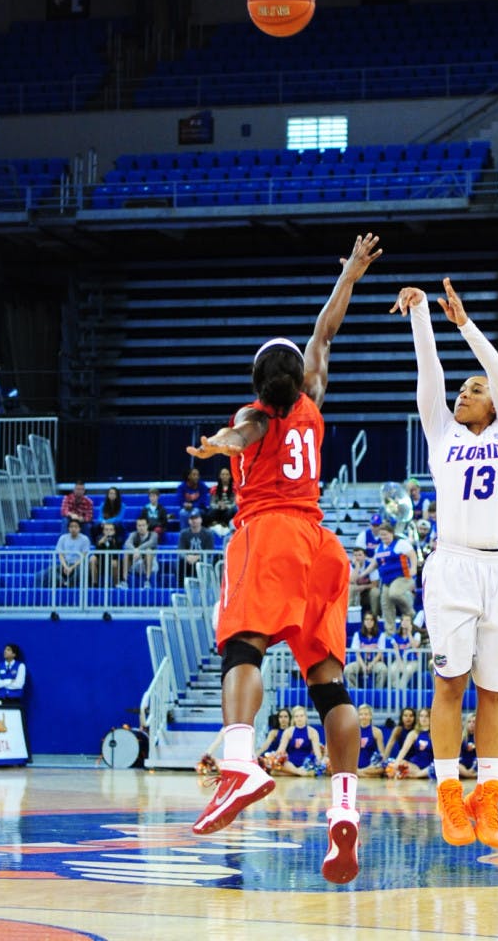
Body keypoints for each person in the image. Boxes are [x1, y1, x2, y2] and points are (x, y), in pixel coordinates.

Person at [186, 232, 381, 885]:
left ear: (256, 385)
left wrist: (219, 444)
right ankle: (343, 812)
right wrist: (349, 273)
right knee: (330, 688)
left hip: (269, 535)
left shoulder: (258, 417)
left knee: (242, 650)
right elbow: (325, 331)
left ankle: (241, 762)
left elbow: (243, 432)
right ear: (298, 379)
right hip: (322, 550)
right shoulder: (313, 401)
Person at [391, 278, 498, 851]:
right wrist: (423, 318)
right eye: (465, 389)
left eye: (476, 389)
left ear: (494, 403)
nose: (466, 394)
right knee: (450, 684)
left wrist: (466, 325)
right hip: (452, 566)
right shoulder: (442, 434)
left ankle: (488, 798)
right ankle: (449, 792)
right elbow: (432, 380)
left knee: (494, 692)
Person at [361, 520, 417, 637]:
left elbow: (412, 555)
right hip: (386, 581)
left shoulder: (400, 543)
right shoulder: (379, 548)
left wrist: (414, 568)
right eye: (381, 535)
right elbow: (374, 564)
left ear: (391, 533)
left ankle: (410, 612)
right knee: (385, 605)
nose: (383, 537)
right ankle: (390, 633)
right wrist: (363, 574)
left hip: (402, 577)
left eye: (385, 534)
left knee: (394, 593)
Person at [274, 704, 325, 776]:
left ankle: (293, 773)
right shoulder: (288, 731)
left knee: (322, 763)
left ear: (306, 717)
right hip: (290, 764)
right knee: (276, 764)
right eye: (296, 716)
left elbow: (317, 754)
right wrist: (275, 758)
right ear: (293, 718)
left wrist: (318, 763)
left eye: (301, 716)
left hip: (307, 764)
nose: (299, 718)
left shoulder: (313, 732)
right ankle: (299, 772)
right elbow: (280, 751)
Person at [343, 610, 388, 689]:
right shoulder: (357, 634)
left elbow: (380, 653)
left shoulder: (381, 635)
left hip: (375, 662)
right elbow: (357, 653)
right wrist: (363, 665)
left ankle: (377, 691)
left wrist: (371, 664)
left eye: (371, 620)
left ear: (374, 622)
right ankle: (356, 691)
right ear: (363, 621)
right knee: (347, 670)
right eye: (367, 619)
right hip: (361, 662)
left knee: (383, 669)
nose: (369, 622)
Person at [393, 706, 434, 779]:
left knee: (439, 766)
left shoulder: (435, 734)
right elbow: (403, 750)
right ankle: (421, 774)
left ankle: (417, 775)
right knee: (401, 763)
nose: (423, 718)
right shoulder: (413, 733)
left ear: (431, 718)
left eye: (426, 716)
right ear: (418, 718)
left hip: (430, 765)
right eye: (421, 716)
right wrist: (396, 763)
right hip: (415, 765)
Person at [177, 510, 215, 583]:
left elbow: (210, 550)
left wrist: (197, 557)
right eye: (192, 519)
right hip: (188, 560)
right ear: (189, 521)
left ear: (201, 520)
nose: (194, 521)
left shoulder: (208, 533)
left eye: (196, 518)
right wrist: (187, 557)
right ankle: (181, 587)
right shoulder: (184, 533)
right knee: (181, 563)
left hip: (203, 559)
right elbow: (180, 550)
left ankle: (204, 585)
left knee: (205, 562)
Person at [120, 516, 159, 589]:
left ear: (147, 526)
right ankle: (124, 581)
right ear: (136, 526)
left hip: (151, 563)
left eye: (143, 525)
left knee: (148, 551)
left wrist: (138, 550)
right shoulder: (133, 534)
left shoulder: (154, 534)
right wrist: (135, 550)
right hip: (136, 561)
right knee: (126, 552)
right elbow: (127, 543)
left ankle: (147, 581)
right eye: (139, 525)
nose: (141, 528)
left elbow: (150, 543)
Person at [53, 518, 91, 587]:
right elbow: (61, 555)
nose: (73, 529)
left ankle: (69, 583)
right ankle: (63, 582)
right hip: (66, 563)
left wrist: (72, 567)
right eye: (71, 527)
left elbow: (83, 556)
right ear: (68, 528)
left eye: (76, 527)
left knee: (81, 571)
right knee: (52, 571)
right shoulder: (63, 538)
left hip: (79, 564)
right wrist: (65, 566)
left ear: (79, 528)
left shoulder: (85, 539)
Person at [388, 612, 421, 691]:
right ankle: (396, 688)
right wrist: (401, 664)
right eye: (403, 620)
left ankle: (400, 689)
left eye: (407, 620)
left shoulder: (416, 634)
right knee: (392, 670)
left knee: (408, 670)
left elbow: (414, 646)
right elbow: (396, 652)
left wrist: (409, 633)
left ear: (411, 623)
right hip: (399, 660)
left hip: (413, 661)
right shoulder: (395, 636)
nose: (405, 622)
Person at [348, 546, 380, 619]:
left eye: (359, 555)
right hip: (356, 589)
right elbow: (352, 581)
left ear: (365, 556)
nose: (357, 557)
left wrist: (363, 587)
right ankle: (349, 615)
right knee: (350, 588)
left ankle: (374, 616)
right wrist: (357, 567)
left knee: (375, 592)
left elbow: (375, 584)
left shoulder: (370, 566)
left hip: (368, 590)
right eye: (355, 555)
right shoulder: (351, 565)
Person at [356, 703, 385, 777]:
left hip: (370, 766)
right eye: (361, 714)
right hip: (355, 764)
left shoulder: (377, 732)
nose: (363, 717)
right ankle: (364, 774)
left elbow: (382, 753)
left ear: (371, 716)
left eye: (366, 714)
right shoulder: (353, 731)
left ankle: (358, 773)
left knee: (382, 768)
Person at [89, 521, 122, 587]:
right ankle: (94, 583)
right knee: (92, 559)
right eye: (106, 529)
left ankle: (116, 584)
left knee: (114, 563)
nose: (108, 531)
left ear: (114, 531)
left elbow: (116, 555)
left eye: (111, 530)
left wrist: (113, 542)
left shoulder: (118, 539)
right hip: (101, 562)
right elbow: (96, 553)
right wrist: (100, 543)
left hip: (113, 562)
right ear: (103, 531)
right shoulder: (99, 538)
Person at [207, 467, 237, 533]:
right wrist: (219, 506)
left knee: (233, 510)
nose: (225, 476)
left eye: (227, 474)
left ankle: (227, 525)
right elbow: (212, 503)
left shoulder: (235, 488)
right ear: (220, 476)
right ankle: (214, 524)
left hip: (229, 510)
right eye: (223, 474)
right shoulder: (214, 489)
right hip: (218, 509)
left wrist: (226, 506)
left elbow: (235, 503)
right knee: (211, 511)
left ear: (230, 476)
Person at [459, 712, 478, 779]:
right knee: (455, 764)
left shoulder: (481, 737)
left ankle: (467, 774)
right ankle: (470, 775)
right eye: (469, 722)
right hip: (464, 763)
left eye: (474, 722)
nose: (471, 724)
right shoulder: (462, 737)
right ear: (466, 724)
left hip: (476, 762)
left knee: (479, 761)